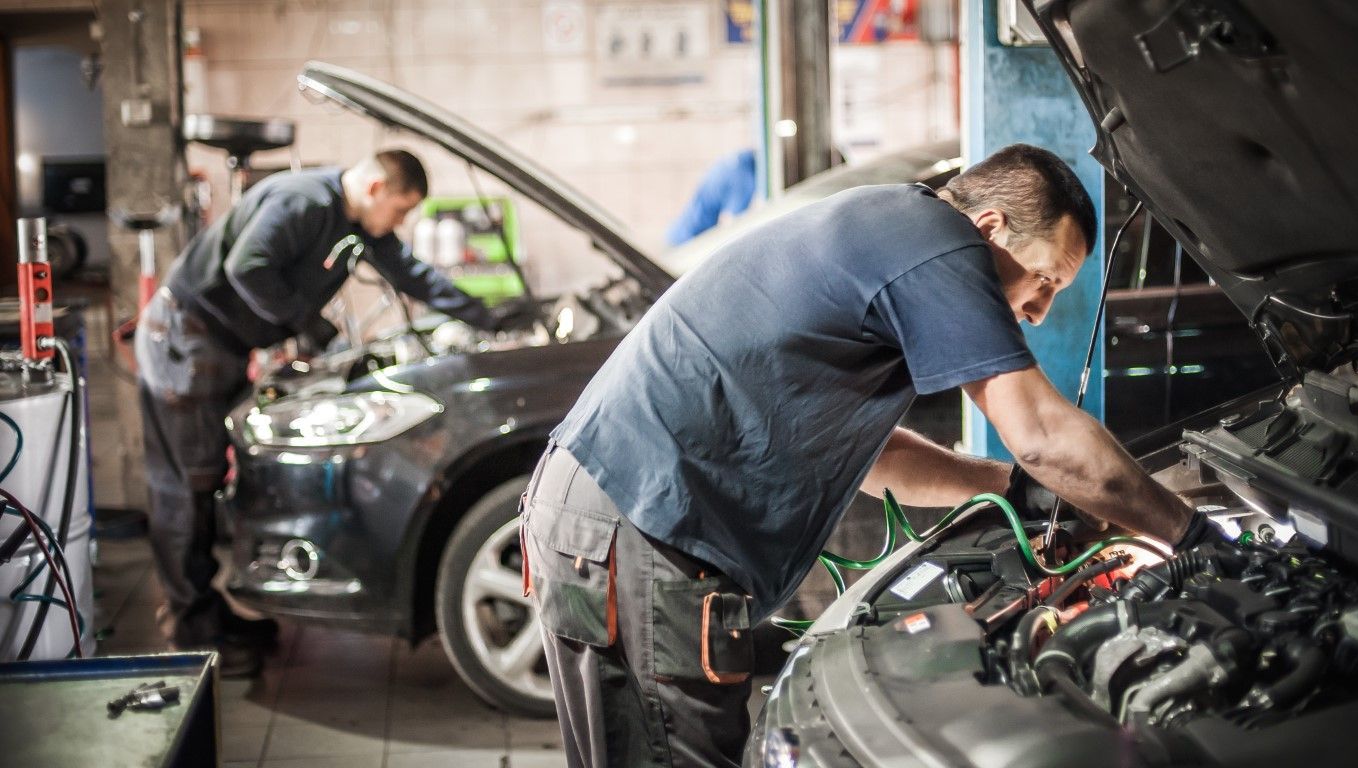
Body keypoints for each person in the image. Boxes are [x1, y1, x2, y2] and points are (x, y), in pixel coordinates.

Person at [523, 144, 1218, 767]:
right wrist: (1190, 535)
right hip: (638, 527)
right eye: (1044, 281)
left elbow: (878, 457)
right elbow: (1037, 431)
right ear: (989, 229)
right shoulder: (936, 245)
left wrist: (1007, 488)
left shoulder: (887, 228)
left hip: (598, 517)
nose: (1037, 310)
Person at [136, 149, 523, 676]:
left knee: (202, 480)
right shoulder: (303, 201)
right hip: (185, 339)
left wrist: (490, 317)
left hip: (218, 346)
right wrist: (308, 324)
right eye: (401, 210)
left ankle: (206, 615)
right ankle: (192, 631)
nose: (401, 223)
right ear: (375, 189)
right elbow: (246, 266)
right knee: (187, 483)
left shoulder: (358, 224)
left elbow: (411, 274)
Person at [665, 149, 757, 246]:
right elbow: (734, 225)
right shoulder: (744, 178)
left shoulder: (732, 162)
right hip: (689, 239)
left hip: (678, 233)